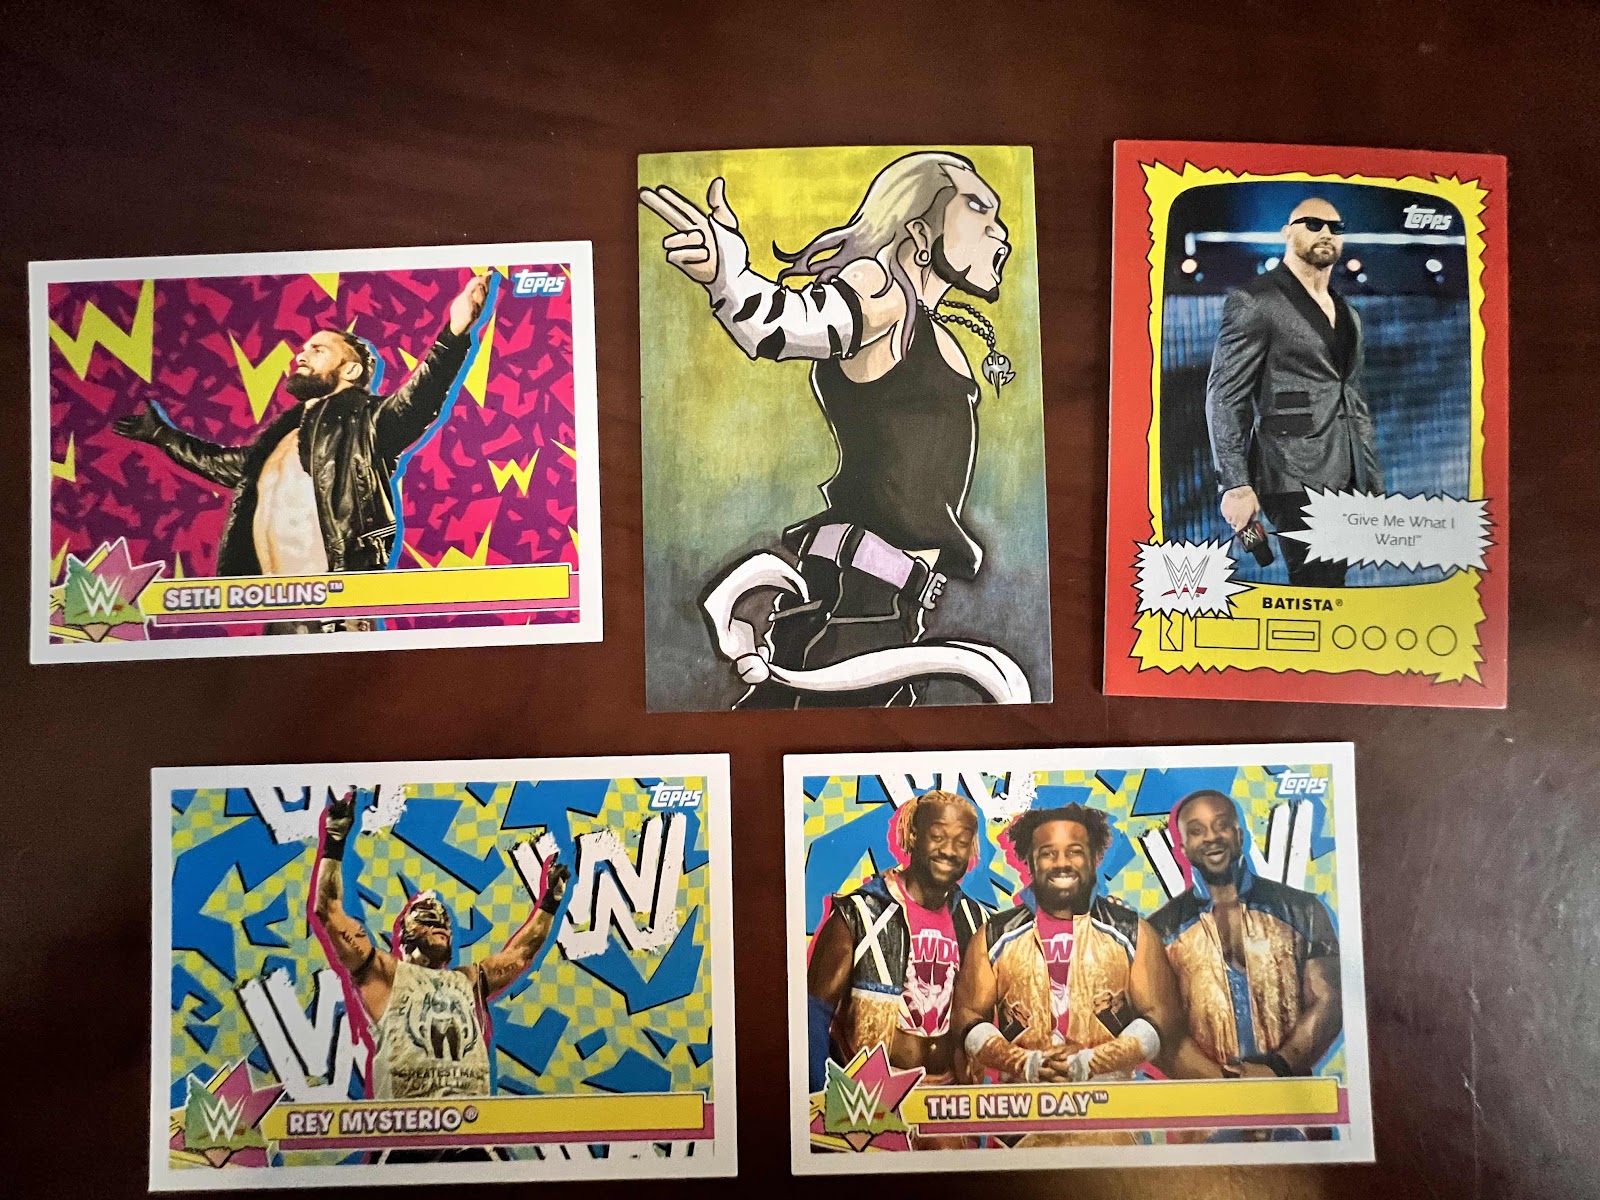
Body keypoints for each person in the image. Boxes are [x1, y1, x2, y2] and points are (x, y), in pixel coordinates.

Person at [640, 152, 1030, 706]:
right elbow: (788, 323)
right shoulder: (881, 290)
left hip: (880, 608)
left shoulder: (924, 323)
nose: (1000, 232)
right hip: (854, 606)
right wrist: (731, 282)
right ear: (920, 232)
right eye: (978, 210)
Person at [112, 274, 490, 615]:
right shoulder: (283, 439)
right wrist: (162, 435)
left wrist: (455, 332)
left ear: (351, 370)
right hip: (276, 612)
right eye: (305, 348)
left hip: (335, 614)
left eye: (319, 350)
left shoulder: (366, 423)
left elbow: (418, 399)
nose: (301, 355)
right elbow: (224, 464)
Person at [310, 787, 569, 1113]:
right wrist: (334, 842)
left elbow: (520, 955)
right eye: (426, 917)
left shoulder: (468, 981)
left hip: (471, 1126)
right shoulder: (384, 974)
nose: (440, 921)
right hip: (408, 1128)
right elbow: (329, 912)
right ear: (403, 936)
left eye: (444, 919)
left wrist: (549, 903)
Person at [950, 803, 1182, 1147]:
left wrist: (1093, 1062)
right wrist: (1024, 1062)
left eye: (1074, 851)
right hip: (1020, 1123)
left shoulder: (1133, 932)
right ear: (1030, 861)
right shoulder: (994, 935)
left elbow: (1161, 1015)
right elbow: (967, 1016)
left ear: (1094, 858)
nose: (1061, 863)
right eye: (1048, 853)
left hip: (1111, 1121)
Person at [1205, 198, 1384, 586]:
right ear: (1287, 232)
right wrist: (1235, 485)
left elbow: (1352, 396)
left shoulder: (1348, 312)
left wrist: (1371, 480)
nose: (1326, 233)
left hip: (1349, 474)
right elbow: (1225, 396)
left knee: (1331, 588)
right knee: (1316, 590)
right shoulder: (1256, 301)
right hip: (1292, 473)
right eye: (1314, 224)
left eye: (1336, 227)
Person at [806, 790, 988, 1130]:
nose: (949, 850)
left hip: (948, 1098)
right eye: (938, 836)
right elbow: (812, 1016)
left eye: (962, 842)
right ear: (913, 835)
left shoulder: (975, 920)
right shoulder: (859, 913)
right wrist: (823, 1104)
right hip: (869, 1101)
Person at [1150, 790, 1342, 1090]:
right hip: (1203, 1108)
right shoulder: (1160, 931)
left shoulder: (1303, 910)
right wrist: (1218, 1083)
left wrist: (1278, 1067)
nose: (1211, 837)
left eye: (1221, 825)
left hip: (1292, 1101)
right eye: (1197, 831)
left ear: (1239, 835)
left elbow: (1330, 1000)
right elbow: (1160, 1026)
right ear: (1183, 848)